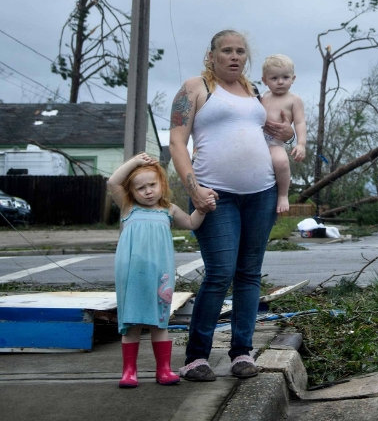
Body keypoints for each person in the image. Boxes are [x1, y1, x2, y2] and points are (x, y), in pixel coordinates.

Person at [168, 29, 294, 382]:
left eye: (240, 51)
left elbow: (272, 133)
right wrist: (193, 189)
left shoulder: (254, 92)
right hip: (214, 196)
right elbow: (177, 142)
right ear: (212, 55)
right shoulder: (196, 88)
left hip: (262, 193)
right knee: (220, 272)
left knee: (249, 274)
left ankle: (242, 351)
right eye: (227, 51)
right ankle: (196, 357)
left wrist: (289, 136)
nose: (235, 56)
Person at [107, 152, 207, 388]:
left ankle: (163, 370)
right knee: (131, 324)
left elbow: (192, 223)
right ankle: (129, 372)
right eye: (140, 188)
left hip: (159, 275)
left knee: (159, 322)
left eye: (152, 185)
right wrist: (136, 162)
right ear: (131, 192)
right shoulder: (128, 208)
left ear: (161, 184)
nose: (148, 191)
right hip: (131, 274)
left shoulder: (168, 210)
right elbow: (112, 182)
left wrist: (202, 208)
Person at [260, 54, 306, 214]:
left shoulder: (294, 100)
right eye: (274, 78)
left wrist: (301, 144)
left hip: (275, 143)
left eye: (285, 77)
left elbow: (300, 122)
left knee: (281, 162)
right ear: (264, 80)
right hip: (257, 142)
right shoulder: (263, 97)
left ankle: (283, 195)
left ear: (293, 78)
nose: (280, 82)